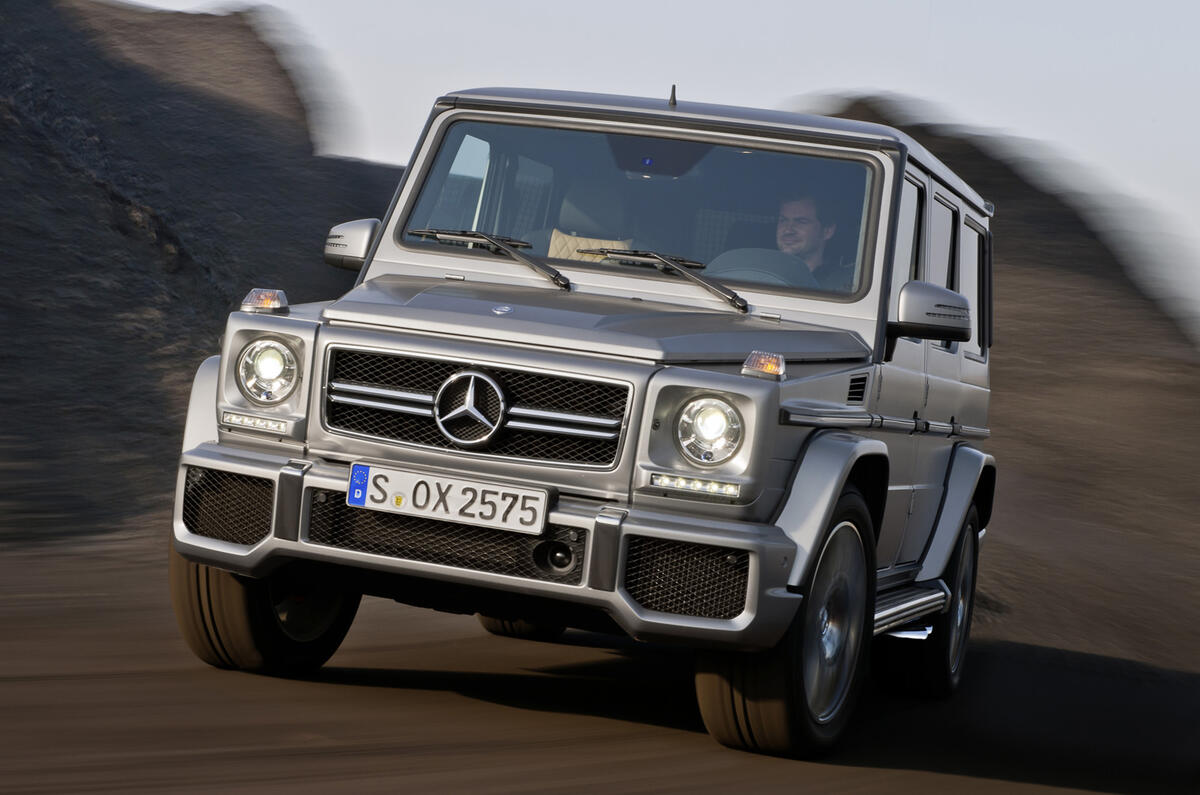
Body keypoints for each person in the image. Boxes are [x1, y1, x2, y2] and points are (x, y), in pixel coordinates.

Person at [775, 195, 853, 291]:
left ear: (827, 231)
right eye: (783, 220)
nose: (788, 230)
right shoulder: (761, 273)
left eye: (801, 222)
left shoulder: (846, 286)